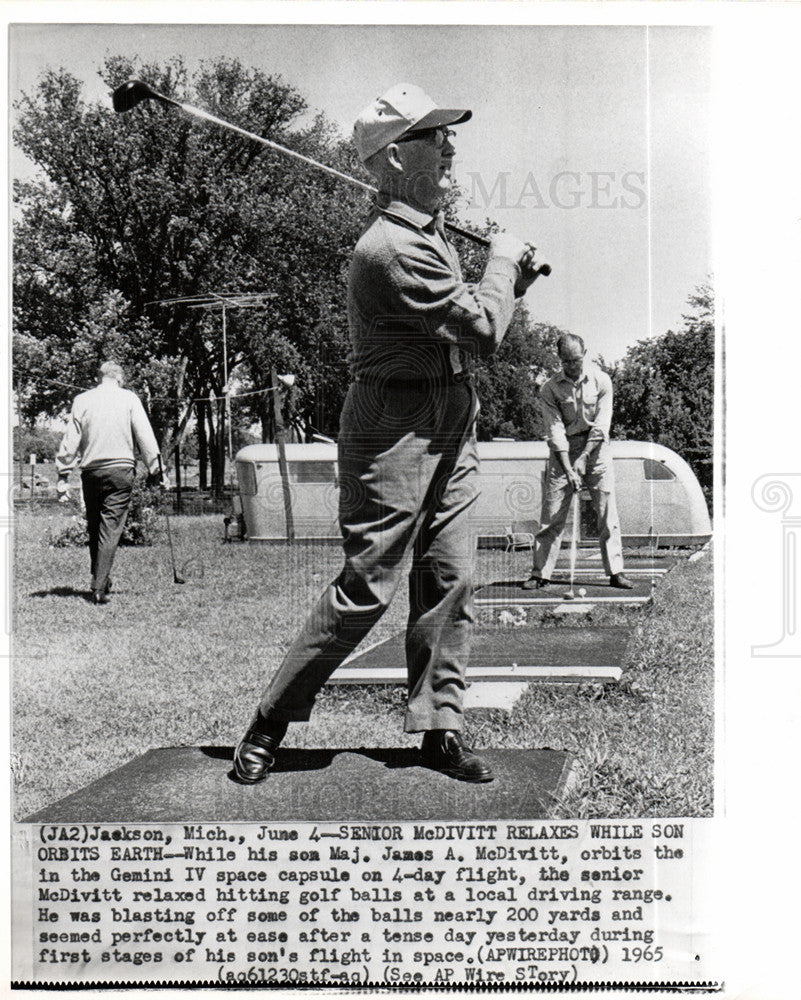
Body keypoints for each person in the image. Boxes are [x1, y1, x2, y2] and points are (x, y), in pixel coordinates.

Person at [234, 82, 545, 785]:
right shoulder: (387, 249)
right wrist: (501, 263)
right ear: (399, 156)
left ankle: (437, 726)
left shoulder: (425, 236)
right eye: (436, 138)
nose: (450, 147)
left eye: (447, 135)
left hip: (449, 414)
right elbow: (481, 330)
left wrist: (509, 280)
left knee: (450, 577)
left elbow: (466, 318)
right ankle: (271, 721)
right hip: (391, 427)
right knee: (367, 587)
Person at [523, 333, 633, 591]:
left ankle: (616, 572)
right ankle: (540, 573)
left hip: (597, 449)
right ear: (559, 359)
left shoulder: (602, 381)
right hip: (563, 451)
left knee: (607, 513)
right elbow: (554, 430)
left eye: (576, 359)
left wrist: (584, 458)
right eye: (566, 361)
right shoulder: (549, 388)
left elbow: (602, 425)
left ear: (585, 354)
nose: (572, 365)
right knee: (551, 515)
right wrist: (568, 466)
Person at [55, 361, 164, 604]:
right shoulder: (129, 398)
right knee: (110, 527)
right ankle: (98, 585)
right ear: (120, 378)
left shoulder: (82, 400)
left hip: (91, 471)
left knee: (95, 527)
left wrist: (63, 474)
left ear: (98, 378)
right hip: (120, 471)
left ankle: (100, 577)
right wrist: (156, 468)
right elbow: (144, 435)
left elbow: (71, 439)